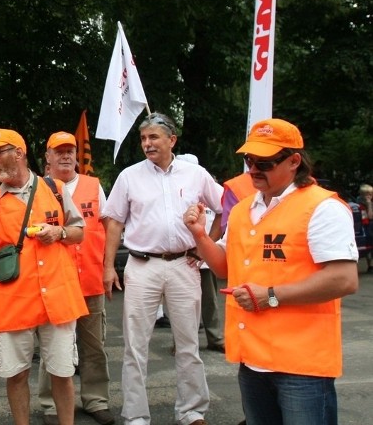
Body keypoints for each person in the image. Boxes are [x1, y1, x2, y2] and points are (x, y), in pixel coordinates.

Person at [183, 118, 359, 425]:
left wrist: (272, 297)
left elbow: (343, 278)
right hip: (252, 358)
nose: (253, 169)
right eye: (249, 160)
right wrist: (199, 235)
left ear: (294, 161)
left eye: (264, 162)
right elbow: (224, 266)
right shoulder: (242, 210)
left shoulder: (322, 208)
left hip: (301, 363)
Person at [102, 112, 221, 425]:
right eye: (143, 139)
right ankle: (136, 415)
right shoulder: (129, 176)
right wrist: (108, 267)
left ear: (172, 140)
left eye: (153, 137)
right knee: (135, 345)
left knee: (188, 343)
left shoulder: (195, 174)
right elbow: (113, 221)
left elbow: (225, 208)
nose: (147, 144)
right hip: (141, 266)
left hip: (184, 264)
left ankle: (191, 411)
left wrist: (206, 245)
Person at [0, 128, 87, 425]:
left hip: (57, 298)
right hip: (13, 300)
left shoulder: (55, 189)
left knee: (62, 372)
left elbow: (78, 232)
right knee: (16, 373)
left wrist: (58, 232)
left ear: (18, 154)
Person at [38, 132, 114, 425]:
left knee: (94, 345)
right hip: (54, 283)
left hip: (90, 279)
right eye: (59, 151)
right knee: (52, 346)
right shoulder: (39, 189)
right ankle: (50, 405)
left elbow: (109, 228)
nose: (66, 156)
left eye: (70, 150)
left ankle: (96, 399)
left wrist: (109, 268)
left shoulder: (94, 187)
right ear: (48, 157)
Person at [176, 153, 226, 354]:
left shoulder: (207, 185)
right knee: (180, 301)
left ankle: (215, 337)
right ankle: (181, 342)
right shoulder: (171, 188)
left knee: (208, 299)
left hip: (203, 256)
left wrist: (206, 247)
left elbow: (224, 213)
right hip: (181, 255)